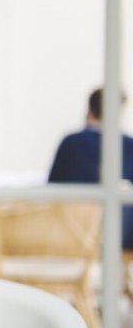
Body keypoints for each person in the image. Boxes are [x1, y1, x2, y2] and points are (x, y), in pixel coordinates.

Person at [48, 87, 133, 248]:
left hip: (73, 236)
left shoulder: (70, 143)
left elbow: (52, 188)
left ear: (90, 111)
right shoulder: (129, 145)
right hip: (122, 235)